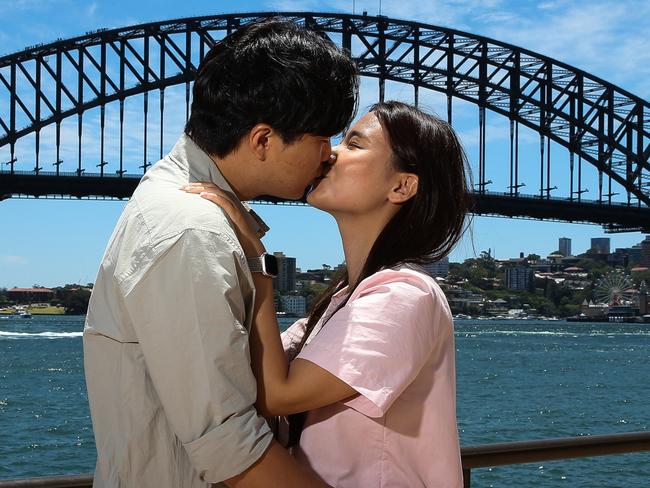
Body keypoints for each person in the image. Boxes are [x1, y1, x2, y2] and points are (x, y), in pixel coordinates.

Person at [83, 18, 358, 488]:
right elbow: (230, 447)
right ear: (264, 140)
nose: (329, 154)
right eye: (321, 137)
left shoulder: (184, 210)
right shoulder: (191, 229)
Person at [184, 100, 472, 487]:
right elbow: (250, 370)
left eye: (354, 144)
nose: (330, 152)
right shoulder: (344, 298)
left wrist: (257, 261)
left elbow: (278, 394)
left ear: (401, 185)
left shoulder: (403, 296)